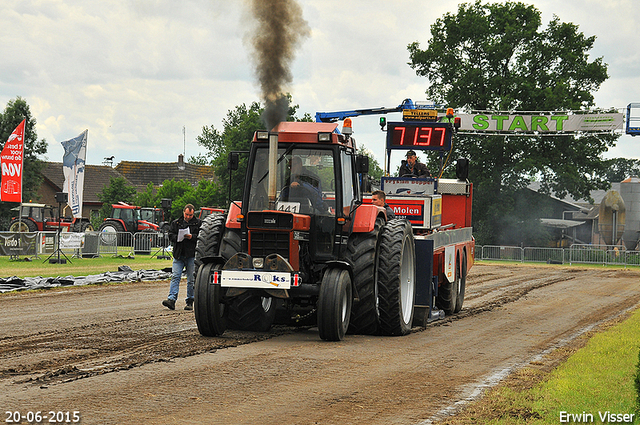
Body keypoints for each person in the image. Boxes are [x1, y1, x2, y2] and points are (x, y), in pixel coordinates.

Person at [163, 204, 202, 311]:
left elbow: (201, 237)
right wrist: (178, 238)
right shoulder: (176, 223)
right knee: (175, 277)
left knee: (191, 280)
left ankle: (190, 301)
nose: (188, 217)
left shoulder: (198, 223)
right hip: (179, 255)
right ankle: (171, 299)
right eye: (186, 214)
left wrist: (191, 237)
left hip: (191, 255)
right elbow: (170, 235)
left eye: (190, 215)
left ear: (193, 214)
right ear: (183, 212)